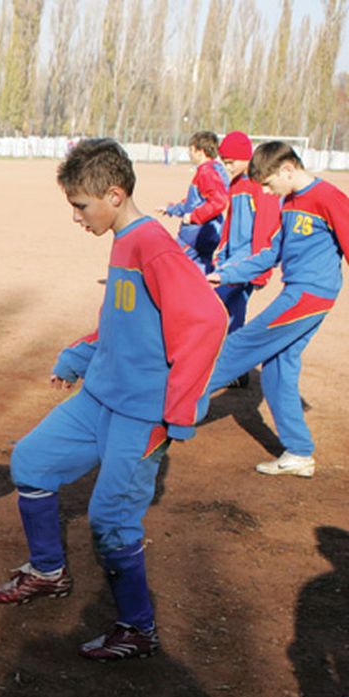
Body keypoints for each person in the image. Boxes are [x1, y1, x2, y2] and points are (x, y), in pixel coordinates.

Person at [0, 138, 226, 662]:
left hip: (142, 413)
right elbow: (119, 320)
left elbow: (209, 321)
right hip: (99, 397)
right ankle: (49, 571)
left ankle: (138, 628)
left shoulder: (155, 247)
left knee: (111, 521)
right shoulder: (123, 241)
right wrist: (78, 357)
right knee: (31, 461)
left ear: (114, 195)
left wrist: (178, 413)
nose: (75, 216)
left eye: (80, 205)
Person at [199, 140, 349, 478]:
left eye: (268, 183)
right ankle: (298, 453)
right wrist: (225, 274)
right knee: (278, 368)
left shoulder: (328, 197)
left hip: (310, 295)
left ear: (287, 169)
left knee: (240, 345)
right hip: (298, 292)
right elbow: (271, 254)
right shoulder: (289, 201)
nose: (266, 192)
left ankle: (178, 405)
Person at [211, 131, 281, 340]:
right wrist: (221, 254)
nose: (227, 167)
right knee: (235, 307)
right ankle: (236, 362)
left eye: (231, 162)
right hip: (233, 257)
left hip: (248, 259)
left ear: (245, 157)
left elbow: (265, 226)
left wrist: (260, 270)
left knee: (214, 300)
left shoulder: (260, 184)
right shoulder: (235, 185)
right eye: (224, 162)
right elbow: (229, 224)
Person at [158, 131, 228, 273]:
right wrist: (172, 209)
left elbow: (218, 201)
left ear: (200, 151)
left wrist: (194, 217)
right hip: (210, 233)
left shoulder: (206, 172)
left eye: (191, 149)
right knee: (200, 273)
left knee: (172, 266)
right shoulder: (217, 170)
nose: (189, 153)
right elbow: (194, 202)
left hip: (195, 235)